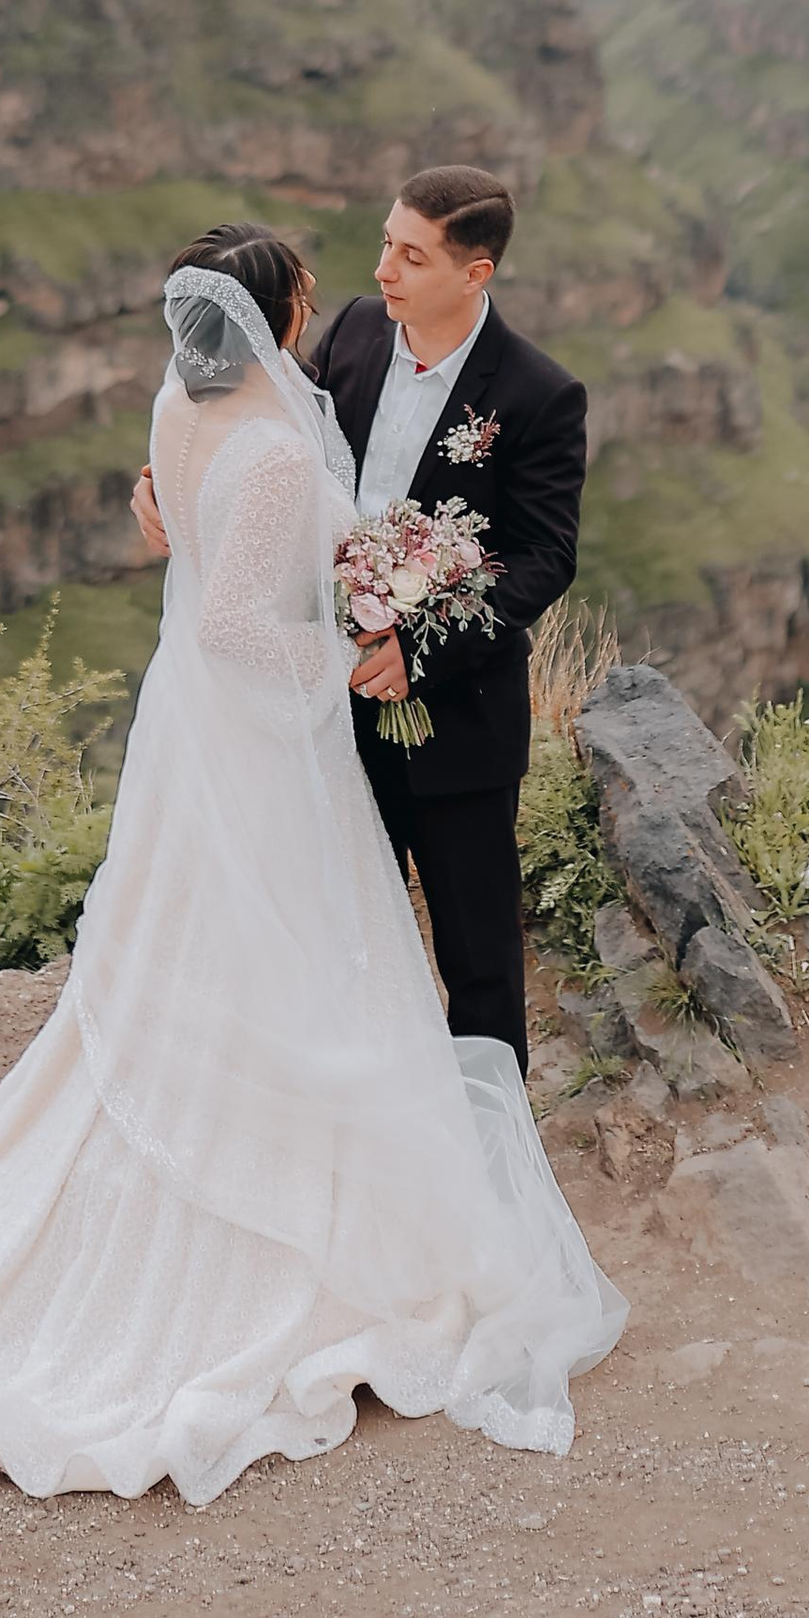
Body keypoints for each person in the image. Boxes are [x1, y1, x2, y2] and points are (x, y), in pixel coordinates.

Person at [0, 222, 623, 1506]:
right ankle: (270, 1223)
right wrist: (340, 658)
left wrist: (371, 599)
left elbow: (208, 533)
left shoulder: (187, 396)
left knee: (219, 945)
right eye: (321, 281)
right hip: (265, 732)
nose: (351, 287)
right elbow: (232, 616)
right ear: (279, 310)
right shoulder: (266, 443)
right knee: (285, 948)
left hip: (206, 732)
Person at [307, 167, 586, 1071]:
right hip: (324, 706)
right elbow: (273, 447)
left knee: (478, 964)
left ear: (477, 273)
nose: (383, 268)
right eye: (387, 241)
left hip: (458, 728)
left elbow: (544, 556)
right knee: (340, 938)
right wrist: (165, 482)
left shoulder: (540, 394)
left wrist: (417, 650)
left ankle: (491, 1163)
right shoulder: (352, 330)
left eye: (411, 255)